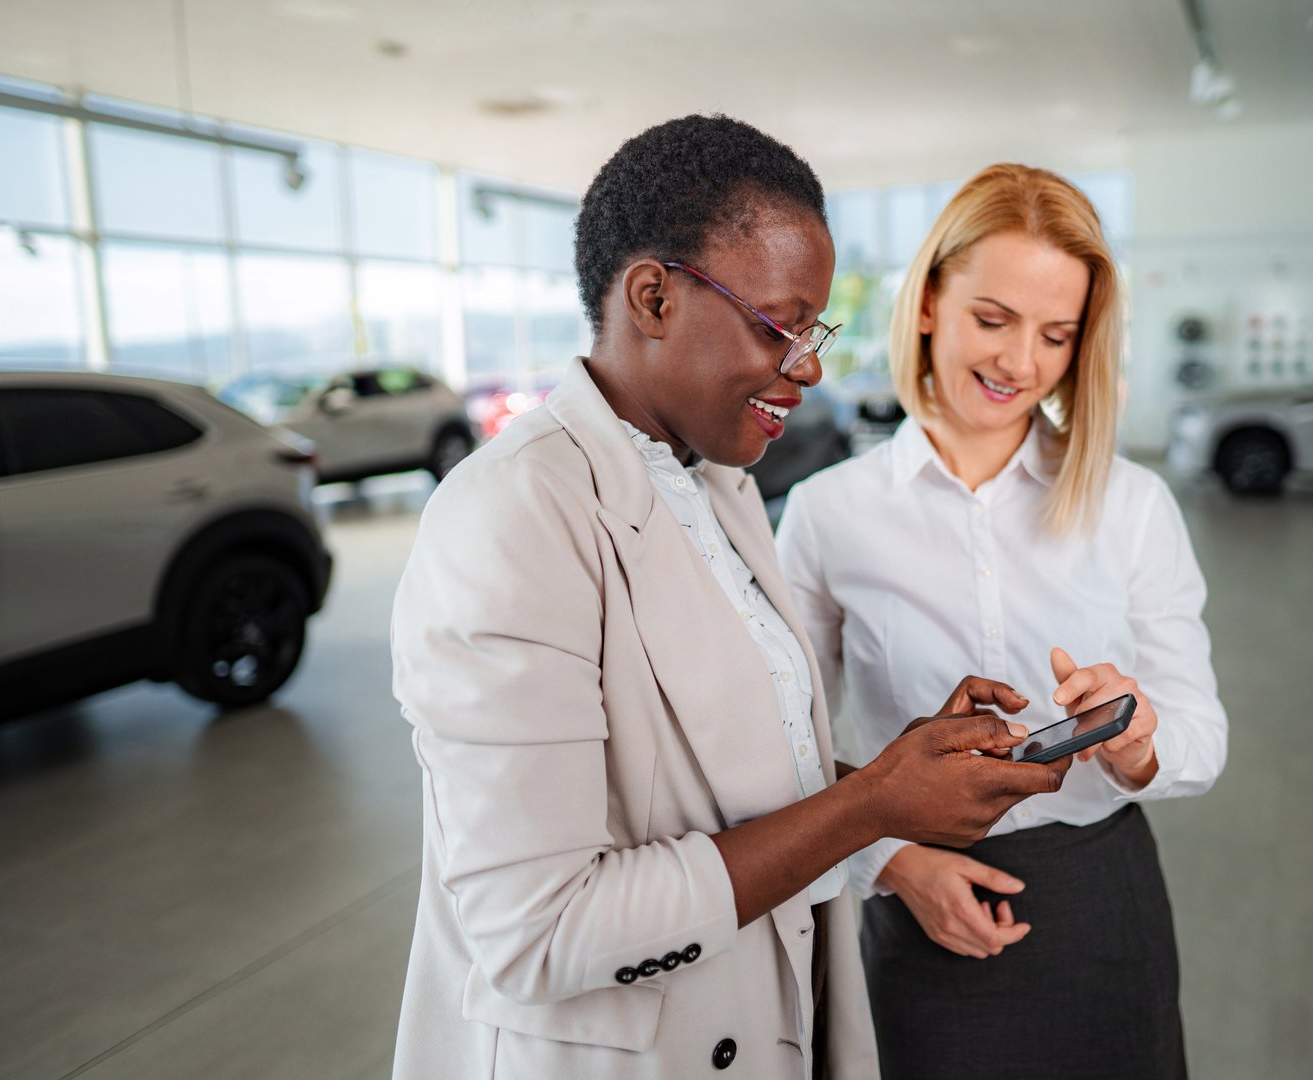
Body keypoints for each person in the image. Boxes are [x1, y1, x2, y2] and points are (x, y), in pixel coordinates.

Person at [388, 119, 1072, 1080]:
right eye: (781, 326)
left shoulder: (718, 485)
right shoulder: (511, 515)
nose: (810, 367)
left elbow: (727, 762)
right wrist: (873, 805)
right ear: (654, 296)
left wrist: (903, 768)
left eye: (816, 330)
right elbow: (538, 929)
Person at [777, 164, 1229, 1079]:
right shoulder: (831, 513)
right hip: (922, 906)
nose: (1021, 363)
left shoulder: (1131, 503)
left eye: (1057, 335)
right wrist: (893, 862)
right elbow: (780, 738)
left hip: (1104, 901)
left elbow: (1201, 735)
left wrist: (1138, 741)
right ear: (932, 299)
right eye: (995, 319)